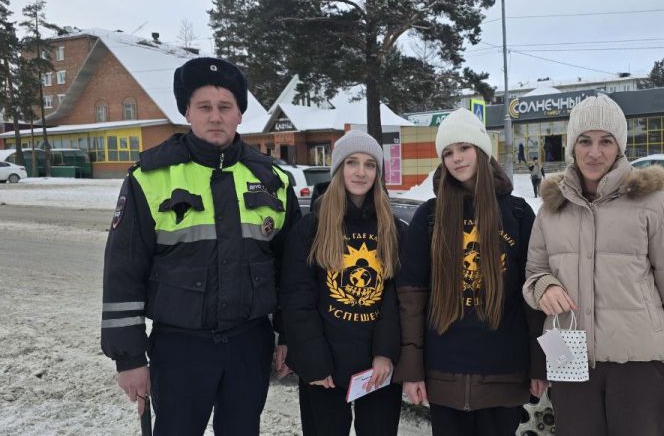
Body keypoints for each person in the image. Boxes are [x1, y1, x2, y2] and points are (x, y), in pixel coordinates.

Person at [100, 57, 299, 435]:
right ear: (187, 112)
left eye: (225, 106)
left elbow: (291, 270)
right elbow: (123, 272)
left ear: (240, 114)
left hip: (249, 344)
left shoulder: (273, 179)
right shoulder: (150, 178)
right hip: (180, 347)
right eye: (204, 107)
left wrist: (288, 334)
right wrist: (129, 358)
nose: (215, 117)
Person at [522, 94, 664, 435]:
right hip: (569, 359)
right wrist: (543, 287)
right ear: (572, 146)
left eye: (605, 141)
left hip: (637, 366)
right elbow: (534, 273)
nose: (594, 152)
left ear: (619, 147)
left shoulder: (653, 207)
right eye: (585, 141)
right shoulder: (552, 209)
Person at [395, 108, 547, 436]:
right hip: (444, 373)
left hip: (503, 372)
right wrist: (412, 370)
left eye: (464, 148)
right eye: (448, 152)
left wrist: (539, 363)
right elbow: (411, 300)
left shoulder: (518, 213)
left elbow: (533, 296)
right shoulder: (429, 217)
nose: (457, 158)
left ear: (481, 150)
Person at [278, 131, 404, 436]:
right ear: (338, 168)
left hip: (377, 368)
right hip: (324, 366)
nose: (361, 172)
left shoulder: (392, 228)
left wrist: (385, 353)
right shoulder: (312, 227)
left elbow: (396, 298)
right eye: (352, 162)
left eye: (370, 165)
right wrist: (314, 361)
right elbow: (297, 298)